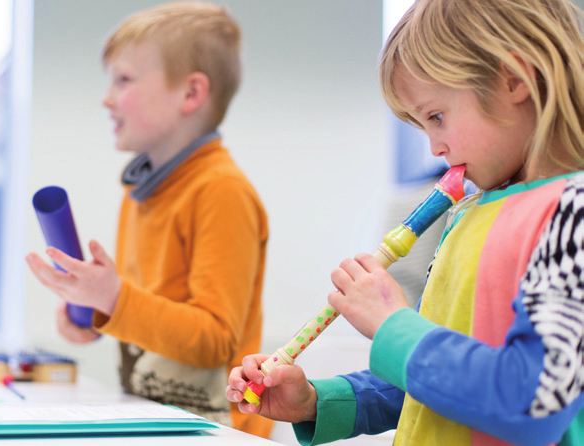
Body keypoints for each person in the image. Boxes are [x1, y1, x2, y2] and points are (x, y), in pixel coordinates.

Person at [226, 0, 584, 444]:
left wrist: (392, 323)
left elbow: (535, 400)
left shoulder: (574, 214)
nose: (434, 147)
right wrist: (317, 401)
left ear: (514, 78)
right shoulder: (469, 213)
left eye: (437, 116)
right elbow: (434, 381)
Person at [26, 1, 271, 438]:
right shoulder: (142, 192)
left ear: (191, 93)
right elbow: (150, 309)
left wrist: (116, 299)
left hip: (213, 428)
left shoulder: (221, 190)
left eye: (123, 80)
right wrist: (97, 308)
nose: (106, 97)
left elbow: (214, 339)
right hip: (156, 418)